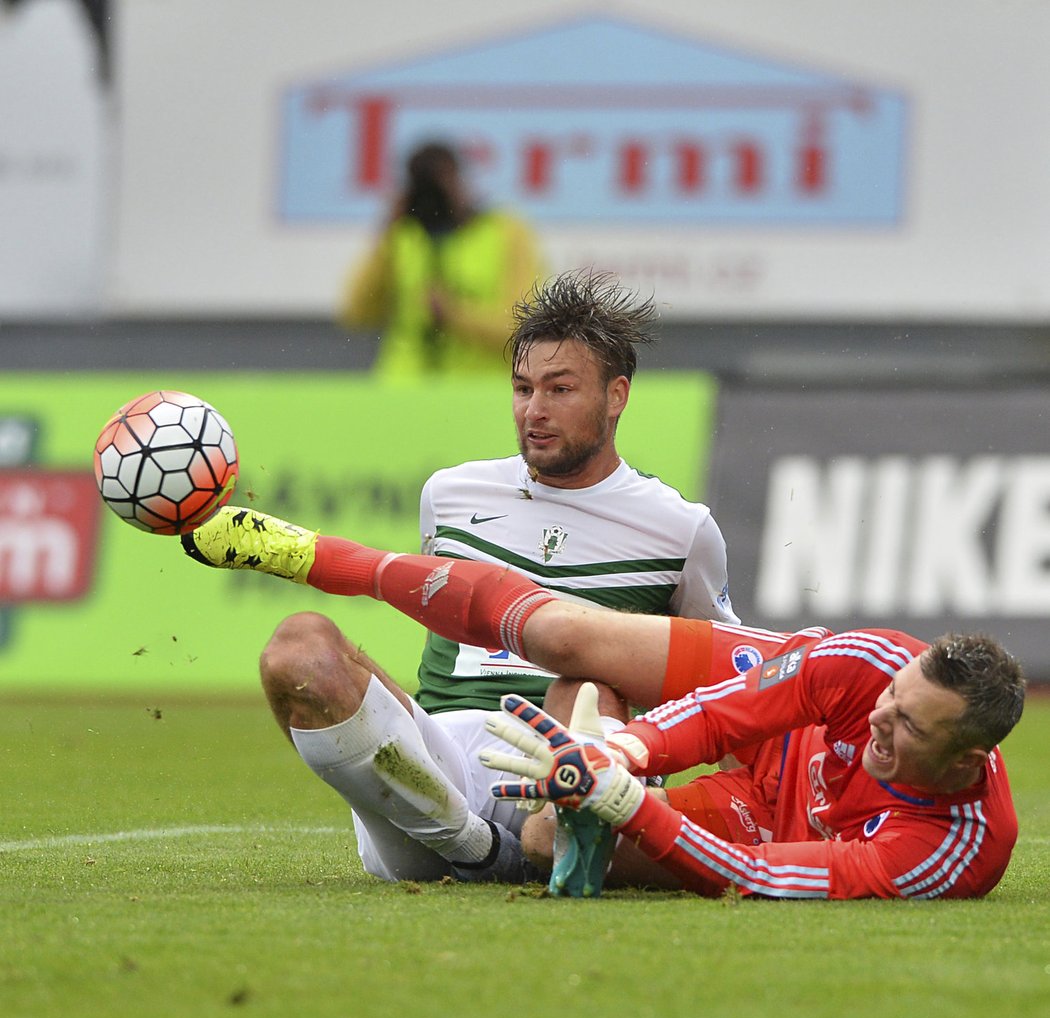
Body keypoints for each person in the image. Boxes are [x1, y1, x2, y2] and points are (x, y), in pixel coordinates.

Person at [188, 270, 739, 885]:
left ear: (617, 396)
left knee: (586, 681)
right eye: (523, 388)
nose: (535, 411)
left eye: (560, 390)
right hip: (442, 771)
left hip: (578, 769)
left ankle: (566, 830)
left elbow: (722, 676)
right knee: (297, 650)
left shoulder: (680, 528)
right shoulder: (451, 494)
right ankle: (478, 848)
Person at [182, 504, 1025, 901]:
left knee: (554, 838)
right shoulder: (868, 667)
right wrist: (628, 753)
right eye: (894, 698)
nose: (883, 717)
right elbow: (731, 712)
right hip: (772, 733)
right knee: (571, 645)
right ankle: (311, 552)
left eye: (909, 724)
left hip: (765, 823)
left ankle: (522, 832)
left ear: (965, 759)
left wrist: (626, 803)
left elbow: (763, 873)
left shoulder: (950, 852)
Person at [338, 140, 544, 382]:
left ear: (461, 180)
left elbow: (523, 329)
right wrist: (388, 229)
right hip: (405, 389)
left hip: (477, 390)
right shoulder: (404, 234)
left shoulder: (504, 232)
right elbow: (357, 313)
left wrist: (454, 314)